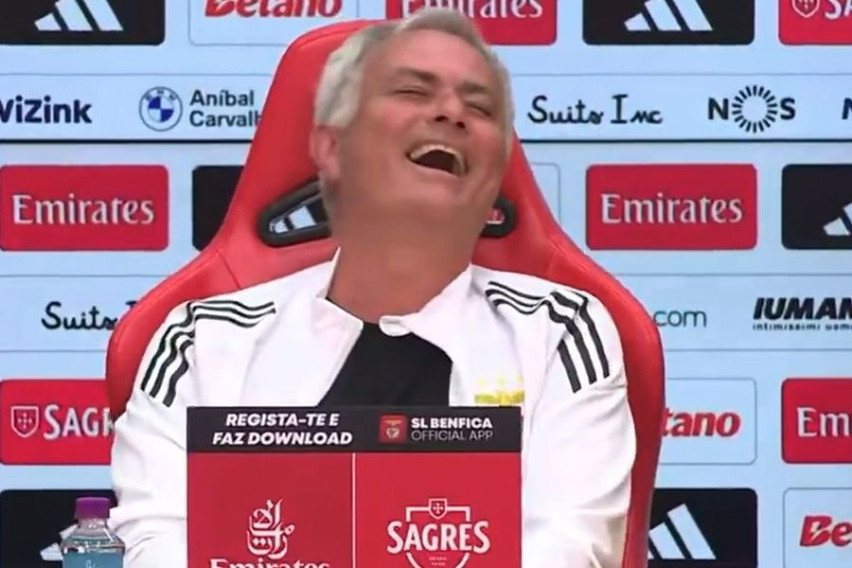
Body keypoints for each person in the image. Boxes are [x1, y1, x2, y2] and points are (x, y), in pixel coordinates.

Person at [109, 8, 636, 568]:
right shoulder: (203, 339)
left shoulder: (560, 333)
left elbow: (567, 550)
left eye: (480, 107)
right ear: (332, 147)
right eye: (413, 91)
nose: (452, 113)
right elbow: (156, 546)